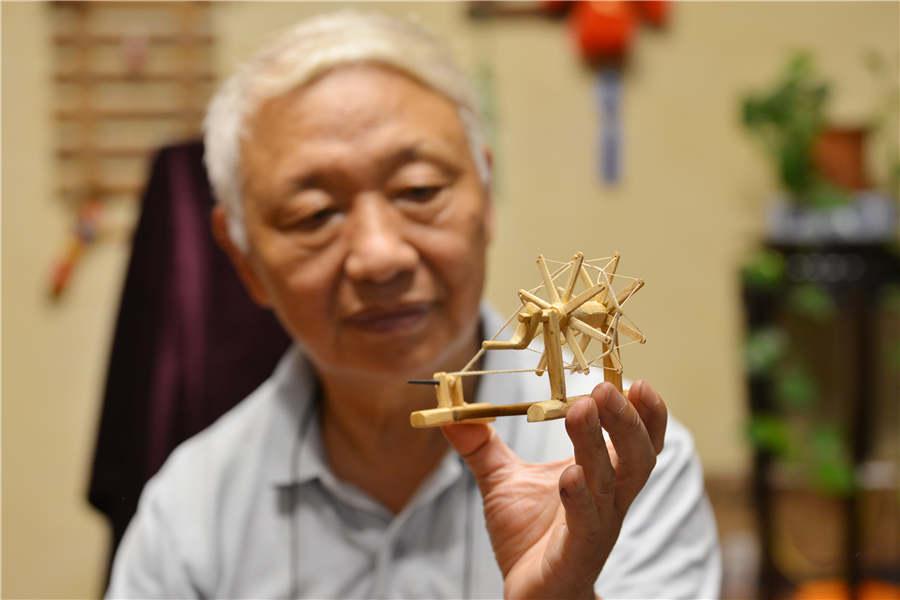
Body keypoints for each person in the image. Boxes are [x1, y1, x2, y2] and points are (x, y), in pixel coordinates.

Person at [107, 11, 721, 599]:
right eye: (315, 214)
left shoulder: (622, 468)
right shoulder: (190, 512)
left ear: (485, 194)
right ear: (244, 260)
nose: (379, 256)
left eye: (419, 190)